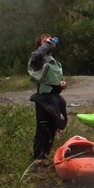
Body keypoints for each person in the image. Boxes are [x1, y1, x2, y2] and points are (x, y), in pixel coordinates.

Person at [27, 34, 68, 162]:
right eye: (45, 40)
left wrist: (63, 84)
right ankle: (38, 158)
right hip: (44, 97)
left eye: (50, 39)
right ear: (40, 45)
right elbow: (37, 58)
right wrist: (46, 45)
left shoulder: (54, 62)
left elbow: (58, 78)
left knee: (53, 127)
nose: (49, 41)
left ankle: (46, 155)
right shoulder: (37, 58)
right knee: (43, 128)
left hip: (55, 97)